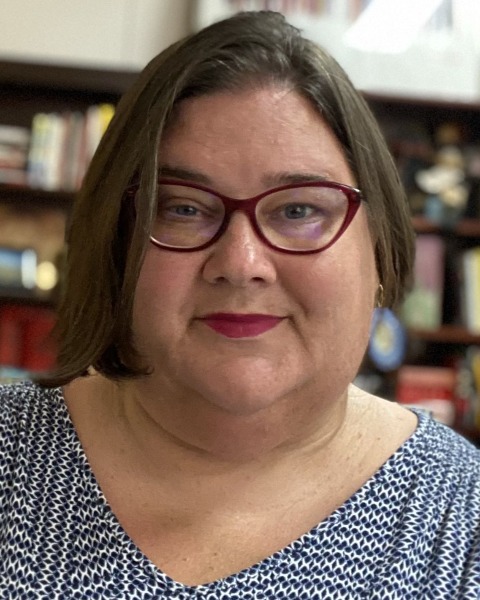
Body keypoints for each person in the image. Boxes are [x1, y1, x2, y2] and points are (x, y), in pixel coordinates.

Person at [1, 10, 479, 599]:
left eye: (299, 210)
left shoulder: (461, 521)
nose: (241, 262)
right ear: (116, 245)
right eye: (182, 208)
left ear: (377, 250)